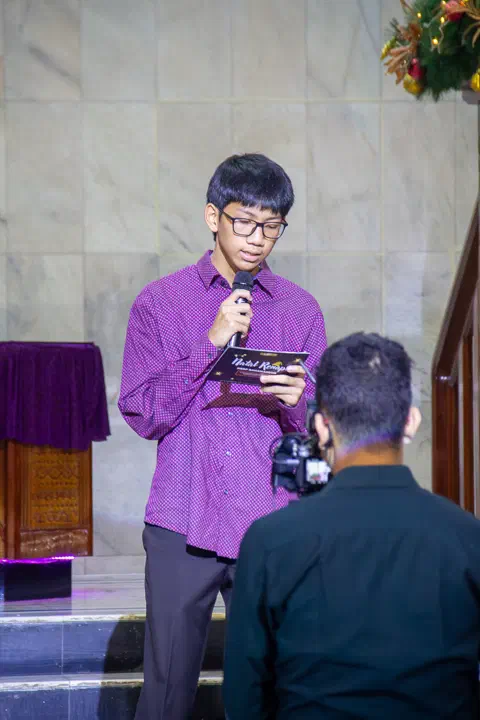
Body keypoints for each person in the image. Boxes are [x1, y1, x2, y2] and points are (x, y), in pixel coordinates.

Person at [118, 153, 327, 719]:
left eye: (272, 226)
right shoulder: (160, 303)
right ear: (213, 216)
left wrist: (299, 402)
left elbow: (320, 433)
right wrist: (210, 343)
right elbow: (142, 413)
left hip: (270, 520)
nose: (258, 239)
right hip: (184, 515)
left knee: (269, 692)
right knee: (166, 692)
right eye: (245, 222)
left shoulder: (301, 310)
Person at [224, 332, 480, 720]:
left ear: (321, 427)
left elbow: (244, 697)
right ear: (411, 421)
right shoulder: (467, 538)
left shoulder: (270, 540)